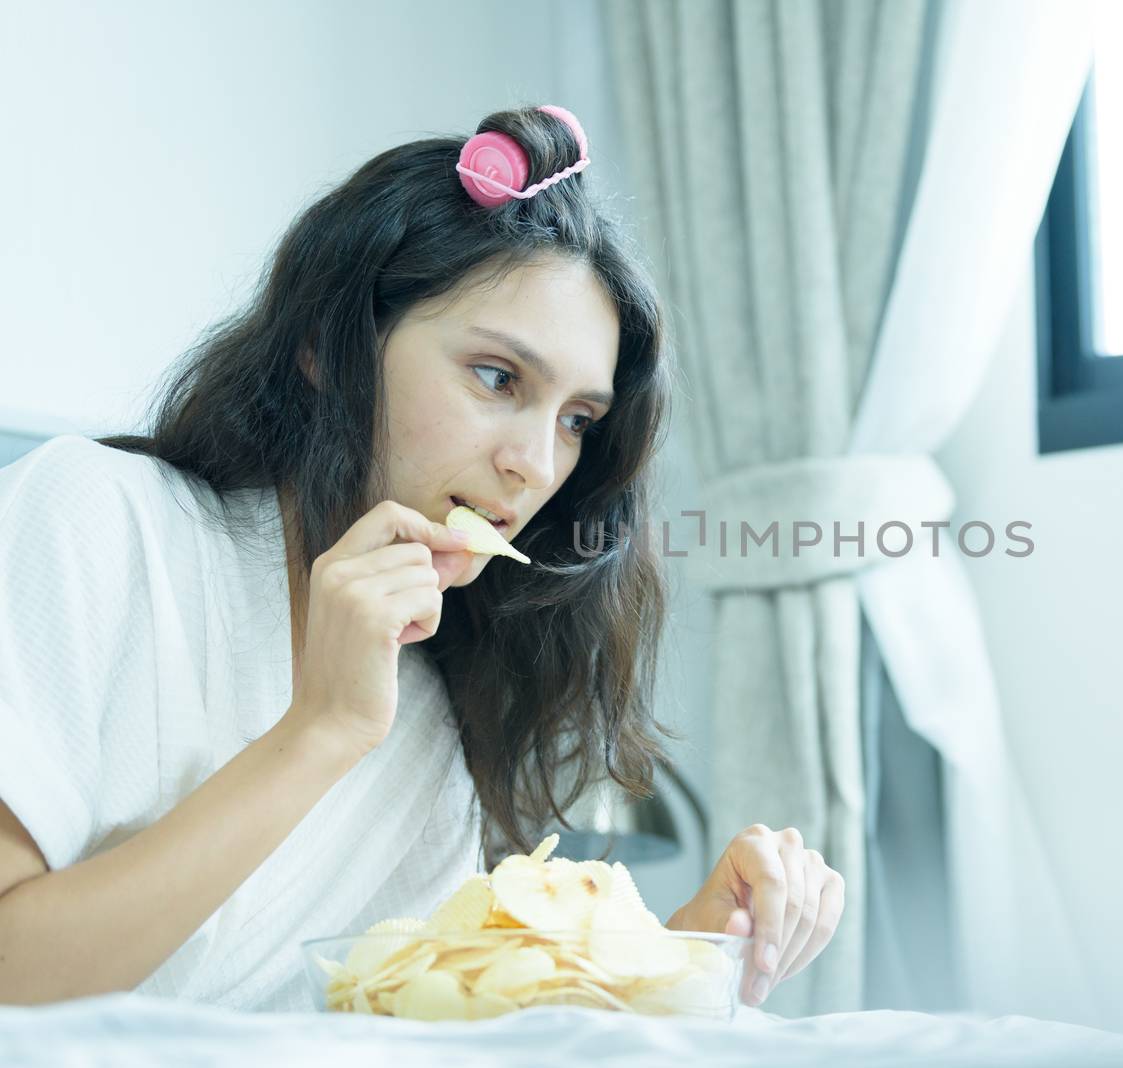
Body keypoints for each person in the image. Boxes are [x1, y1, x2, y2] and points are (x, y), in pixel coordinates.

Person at [0, 104, 843, 1012]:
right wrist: (319, 732)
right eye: (496, 377)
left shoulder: (441, 689)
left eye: (577, 421)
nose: (535, 463)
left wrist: (691, 954)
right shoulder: (94, 516)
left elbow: (423, 1019)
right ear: (329, 348)